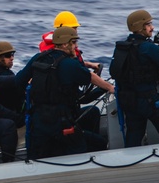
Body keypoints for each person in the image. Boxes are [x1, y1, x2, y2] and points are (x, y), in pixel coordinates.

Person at [25, 26, 107, 160]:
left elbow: (18, 81)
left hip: (39, 123)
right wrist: (109, 88)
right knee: (99, 143)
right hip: (61, 124)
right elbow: (89, 79)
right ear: (64, 44)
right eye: (74, 43)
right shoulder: (69, 65)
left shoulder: (38, 59)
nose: (76, 46)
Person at [109, 9, 159, 147]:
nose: (152, 27)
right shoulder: (149, 48)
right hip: (150, 101)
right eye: (149, 24)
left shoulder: (122, 48)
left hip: (129, 101)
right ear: (140, 27)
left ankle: (131, 164)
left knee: (134, 135)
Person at [38, 11, 114, 96]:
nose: (76, 31)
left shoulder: (44, 55)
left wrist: (88, 64)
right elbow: (87, 75)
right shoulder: (66, 57)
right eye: (73, 28)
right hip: (64, 95)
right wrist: (110, 87)